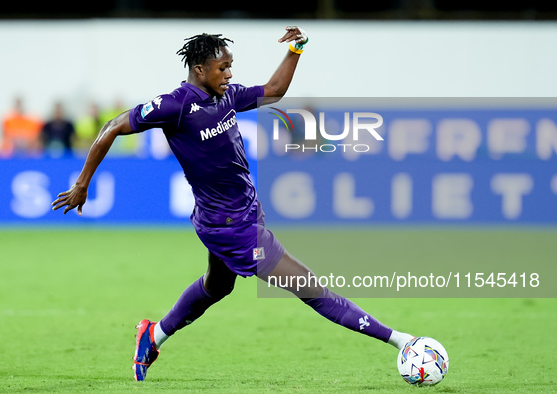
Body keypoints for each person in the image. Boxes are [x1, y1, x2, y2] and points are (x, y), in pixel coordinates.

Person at [51, 26, 414, 382]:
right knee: (310, 287)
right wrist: (82, 184)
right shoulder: (174, 106)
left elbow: (272, 91)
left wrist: (296, 50)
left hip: (242, 214)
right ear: (199, 70)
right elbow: (113, 126)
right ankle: (402, 342)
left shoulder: (226, 97)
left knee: (218, 286)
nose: (229, 73)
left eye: (230, 66)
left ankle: (153, 335)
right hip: (229, 228)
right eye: (222, 68)